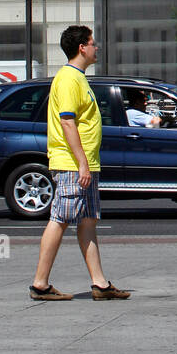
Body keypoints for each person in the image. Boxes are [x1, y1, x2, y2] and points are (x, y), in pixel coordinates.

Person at [30, 25, 130, 302]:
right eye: (93, 43)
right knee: (59, 219)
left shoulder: (78, 77)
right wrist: (82, 164)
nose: (97, 47)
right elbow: (67, 121)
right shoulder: (69, 79)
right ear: (82, 48)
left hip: (84, 164)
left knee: (87, 221)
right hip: (73, 164)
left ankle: (100, 283)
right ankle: (40, 284)